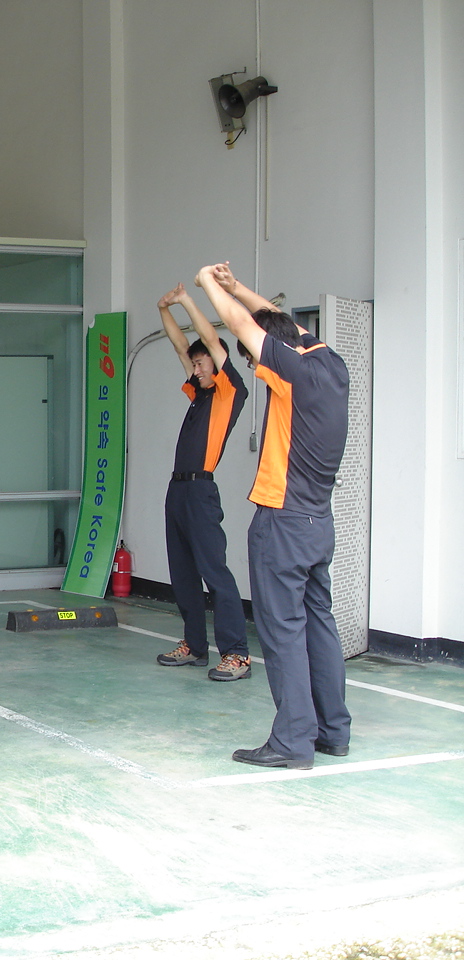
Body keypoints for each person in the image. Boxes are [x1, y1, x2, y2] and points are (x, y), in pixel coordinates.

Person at [195, 261, 351, 770]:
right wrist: (237, 285)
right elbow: (278, 321)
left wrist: (207, 281)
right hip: (319, 523)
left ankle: (292, 742)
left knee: (282, 632)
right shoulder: (331, 363)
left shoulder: (291, 373)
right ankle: (332, 731)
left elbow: (243, 324)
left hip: (282, 523)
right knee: (319, 624)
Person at [153, 282, 251, 681]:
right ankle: (194, 646)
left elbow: (209, 338)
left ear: (215, 362)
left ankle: (237, 654)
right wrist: (164, 309)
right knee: (182, 573)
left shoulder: (229, 391)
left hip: (200, 490)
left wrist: (187, 301)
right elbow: (182, 347)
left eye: (200, 364)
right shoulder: (199, 394)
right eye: (193, 366)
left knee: (215, 573)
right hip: (177, 490)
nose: (194, 370)